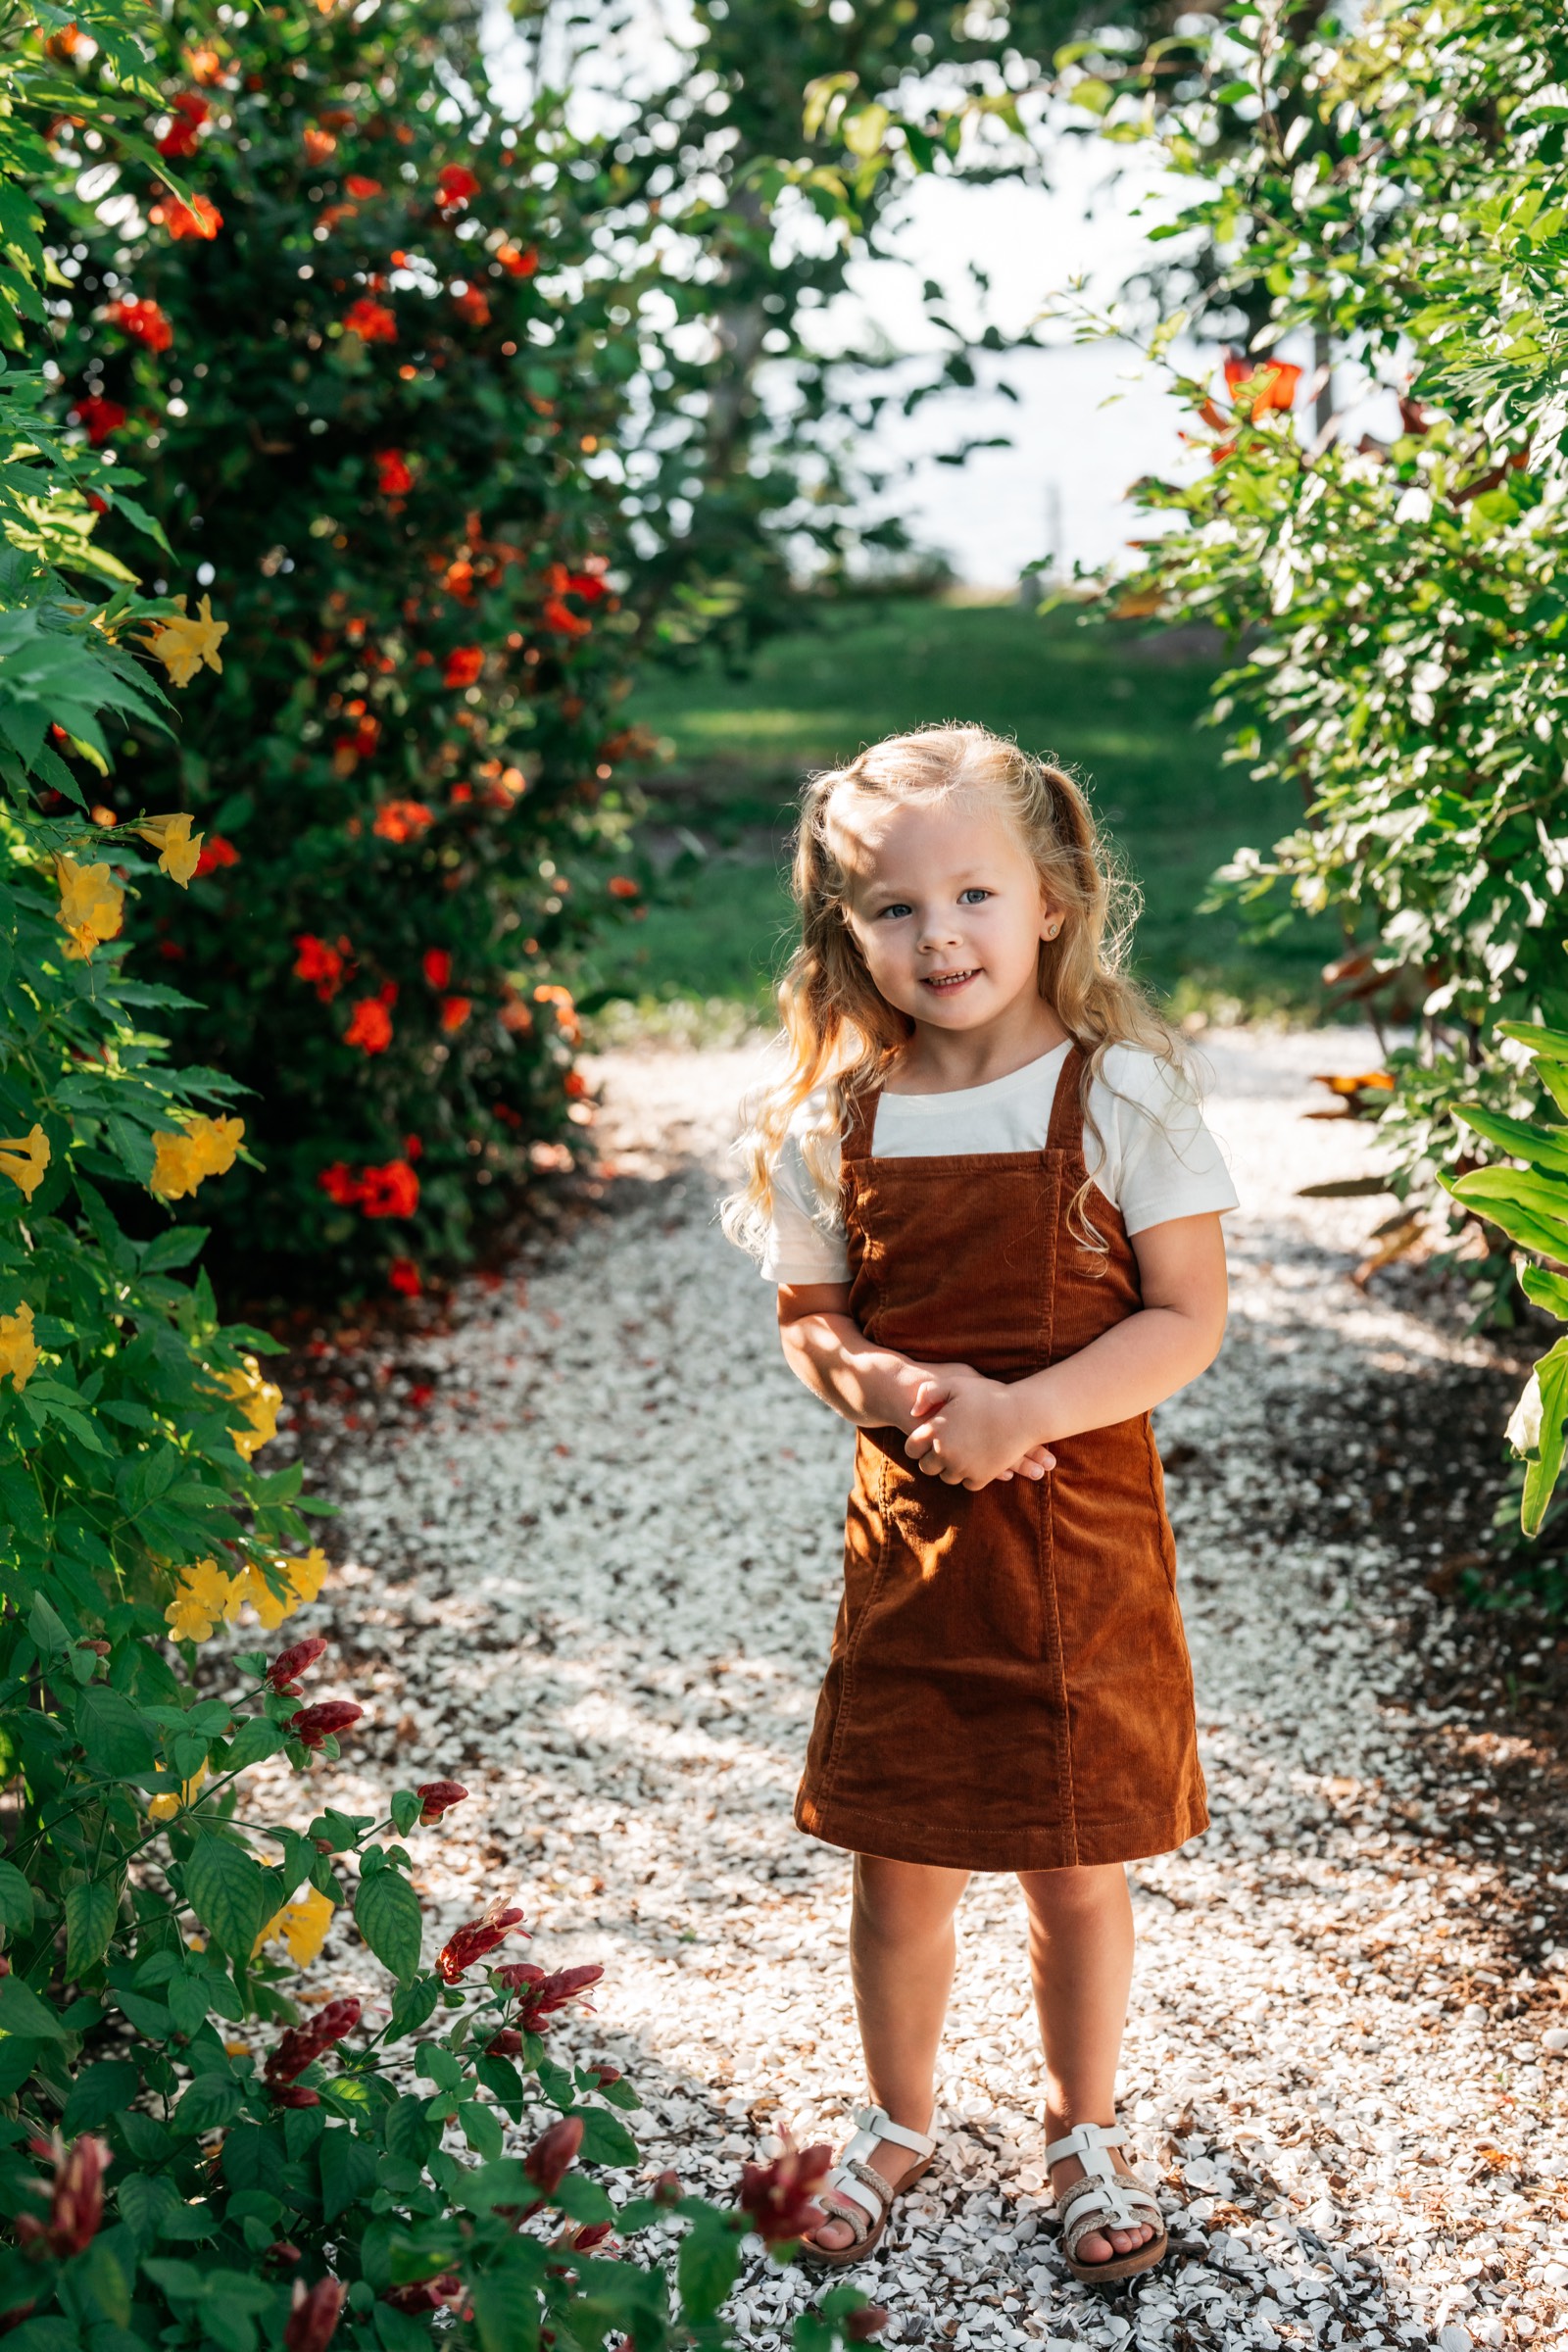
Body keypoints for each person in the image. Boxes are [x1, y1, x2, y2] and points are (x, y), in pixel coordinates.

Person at [722, 724, 1237, 2282]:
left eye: (973, 896)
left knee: (1079, 1864)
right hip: (919, 1555)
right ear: (843, 930)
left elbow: (1186, 1316)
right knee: (905, 1867)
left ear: (1055, 898)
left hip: (1080, 1549)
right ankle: (898, 2117)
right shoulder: (838, 1117)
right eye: (891, 908)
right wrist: (873, 1383)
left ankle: (1082, 2128)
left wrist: (1028, 1408)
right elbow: (813, 1320)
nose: (937, 937)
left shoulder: (1121, 1094)